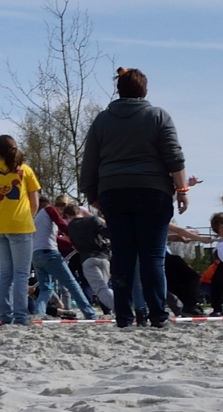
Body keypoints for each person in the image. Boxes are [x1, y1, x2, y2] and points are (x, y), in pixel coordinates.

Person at [79, 67, 189, 329]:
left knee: (123, 256)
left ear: (119, 89)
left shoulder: (102, 120)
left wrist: (92, 193)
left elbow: (89, 160)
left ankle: (124, 316)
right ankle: (158, 315)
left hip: (114, 192)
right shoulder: (158, 116)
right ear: (145, 90)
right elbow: (174, 156)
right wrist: (182, 190)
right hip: (154, 192)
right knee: (153, 257)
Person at [0, 134, 40, 327]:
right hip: (21, 225)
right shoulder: (25, 170)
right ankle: (21, 315)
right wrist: (27, 216)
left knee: (4, 273)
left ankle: (4, 315)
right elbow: (35, 202)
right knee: (21, 274)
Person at [31, 193, 97, 320]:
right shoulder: (49, 210)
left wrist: (72, 245)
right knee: (72, 284)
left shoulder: (37, 219)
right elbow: (62, 225)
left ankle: (39, 314)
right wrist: (77, 240)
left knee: (45, 289)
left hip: (37, 256)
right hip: (50, 254)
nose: (62, 212)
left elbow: (55, 239)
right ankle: (90, 313)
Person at [66, 204, 114, 312]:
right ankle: (110, 310)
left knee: (100, 289)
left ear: (68, 216)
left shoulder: (71, 226)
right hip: (103, 257)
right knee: (105, 286)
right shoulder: (92, 220)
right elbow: (107, 232)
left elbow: (76, 247)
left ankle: (119, 308)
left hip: (87, 259)